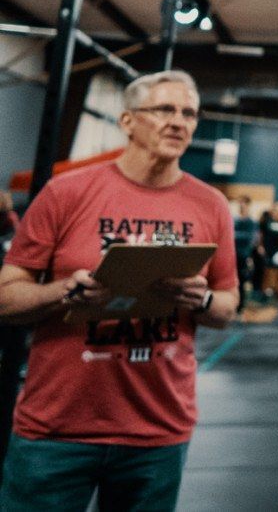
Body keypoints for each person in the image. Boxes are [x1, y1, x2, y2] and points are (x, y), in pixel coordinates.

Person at [0, 70, 238, 511]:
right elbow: (6, 297)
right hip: (57, 431)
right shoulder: (66, 193)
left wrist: (201, 300)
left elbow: (227, 305)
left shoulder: (211, 205)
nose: (178, 122)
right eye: (164, 109)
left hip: (157, 432)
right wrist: (63, 292)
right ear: (127, 121)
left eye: (189, 114)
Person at [232, 196, 259, 314]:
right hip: (232, 256)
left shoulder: (252, 222)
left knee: (241, 282)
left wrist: (235, 235)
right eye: (240, 204)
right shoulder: (233, 219)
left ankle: (240, 306)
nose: (242, 206)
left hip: (244, 256)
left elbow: (251, 239)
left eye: (244, 204)